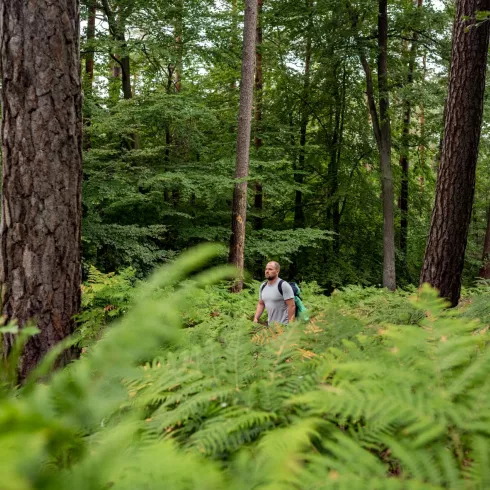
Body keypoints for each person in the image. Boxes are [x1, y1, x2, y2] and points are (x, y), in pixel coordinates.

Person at [253, 261, 295, 325]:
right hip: (271, 326)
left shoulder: (283, 285)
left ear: (277, 271)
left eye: (270, 269)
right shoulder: (263, 286)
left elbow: (291, 306)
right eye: (266, 269)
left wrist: (291, 325)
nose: (267, 271)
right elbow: (261, 304)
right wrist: (256, 318)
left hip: (283, 326)